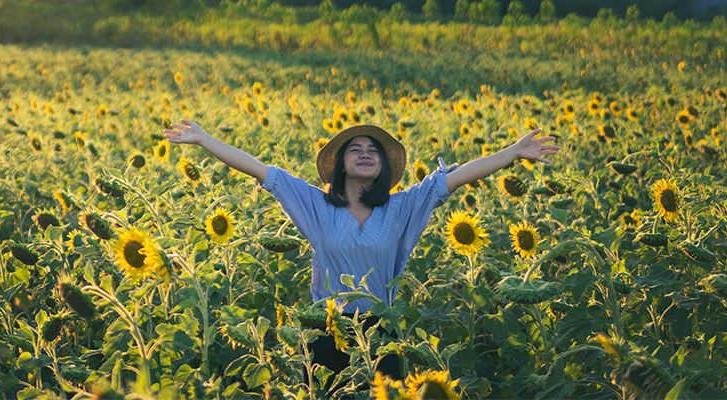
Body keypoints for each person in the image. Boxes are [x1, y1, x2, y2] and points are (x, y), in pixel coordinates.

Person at [162, 119, 560, 383]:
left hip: (384, 332)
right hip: (327, 332)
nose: (366, 152)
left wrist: (512, 152)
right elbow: (260, 171)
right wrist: (204, 139)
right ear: (341, 164)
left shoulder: (402, 207)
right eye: (356, 149)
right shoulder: (316, 206)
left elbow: (453, 179)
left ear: (383, 165)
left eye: (374, 149)